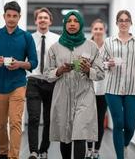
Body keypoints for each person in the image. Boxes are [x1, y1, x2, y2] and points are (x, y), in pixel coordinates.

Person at [44, 11, 105, 159]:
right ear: (65, 24)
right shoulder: (55, 48)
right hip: (62, 95)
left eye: (75, 21)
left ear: (80, 24)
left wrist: (87, 69)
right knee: (65, 136)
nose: (72, 23)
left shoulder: (91, 47)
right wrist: (59, 70)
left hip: (84, 95)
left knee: (80, 134)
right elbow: (47, 74)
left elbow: (101, 73)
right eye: (69, 21)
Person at [0, 1, 38, 159]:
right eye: (9, 15)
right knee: (0, 124)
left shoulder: (26, 37)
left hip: (18, 85)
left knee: (15, 122)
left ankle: (14, 156)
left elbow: (34, 62)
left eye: (15, 16)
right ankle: (3, 153)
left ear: (19, 17)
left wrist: (19, 64)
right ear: (4, 16)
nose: (11, 19)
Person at [103, 10, 135, 159]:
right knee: (119, 123)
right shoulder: (109, 41)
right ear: (116, 23)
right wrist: (107, 64)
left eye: (126, 20)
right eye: (120, 20)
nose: (123, 23)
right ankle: (120, 157)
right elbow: (101, 63)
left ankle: (124, 144)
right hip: (112, 89)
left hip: (132, 89)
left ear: (130, 23)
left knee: (130, 126)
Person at [26, 8, 60, 159]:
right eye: (40, 17)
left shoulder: (58, 39)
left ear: (50, 21)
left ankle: (44, 149)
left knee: (48, 119)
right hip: (33, 80)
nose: (43, 20)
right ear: (35, 21)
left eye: (45, 18)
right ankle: (33, 151)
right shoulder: (28, 38)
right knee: (33, 118)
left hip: (51, 82)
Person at [85, 19, 108, 159]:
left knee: (100, 121)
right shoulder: (87, 46)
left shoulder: (109, 47)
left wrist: (104, 64)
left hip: (104, 90)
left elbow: (112, 63)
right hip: (88, 88)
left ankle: (96, 150)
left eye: (101, 29)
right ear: (92, 30)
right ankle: (88, 149)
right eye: (96, 29)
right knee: (88, 120)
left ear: (104, 31)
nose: (98, 31)